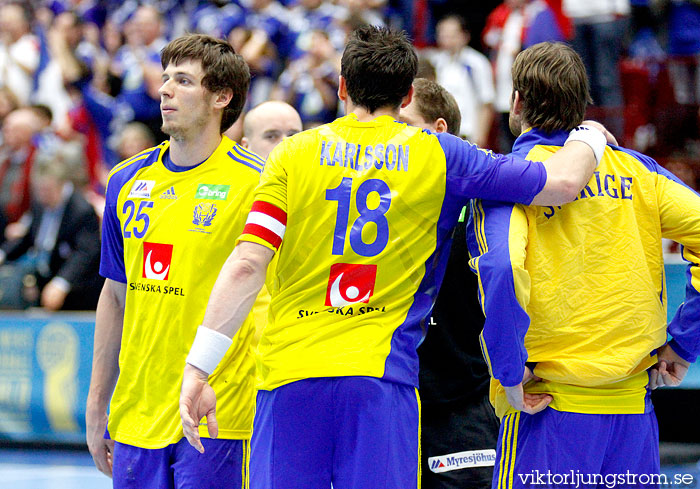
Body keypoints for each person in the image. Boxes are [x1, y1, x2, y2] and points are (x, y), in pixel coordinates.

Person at [179, 26, 608, 489]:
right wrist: (590, 133)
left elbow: (246, 265)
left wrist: (200, 367)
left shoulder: (291, 154)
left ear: (342, 86)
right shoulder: (441, 153)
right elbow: (563, 183)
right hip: (381, 379)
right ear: (406, 96)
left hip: (288, 378)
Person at [467, 42, 699, 489]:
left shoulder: (510, 178)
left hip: (550, 408)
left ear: (516, 102)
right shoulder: (639, 171)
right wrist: (684, 342)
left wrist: (509, 372)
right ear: (582, 105)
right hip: (633, 411)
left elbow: (502, 268)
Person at [85, 34, 266, 489]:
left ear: (221, 98)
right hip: (137, 412)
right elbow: (115, 294)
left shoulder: (257, 184)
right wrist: (95, 405)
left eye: (183, 81)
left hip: (218, 414)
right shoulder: (126, 179)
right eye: (165, 78)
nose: (165, 89)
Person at [400, 78, 499, 489]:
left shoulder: (484, 201)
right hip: (390, 403)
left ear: (440, 130)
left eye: (403, 124)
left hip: (462, 407)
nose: (391, 138)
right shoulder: (370, 206)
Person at [0, 144, 102, 310]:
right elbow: (28, 239)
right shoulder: (40, 204)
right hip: (46, 278)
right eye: (39, 191)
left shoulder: (81, 210)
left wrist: (62, 282)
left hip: (78, 289)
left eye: (47, 190)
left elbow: (85, 252)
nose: (43, 196)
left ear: (61, 184)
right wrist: (3, 254)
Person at [424, 15, 495, 146]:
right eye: (443, 34)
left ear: (465, 36)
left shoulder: (477, 63)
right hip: (441, 134)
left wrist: (480, 137)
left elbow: (486, 103)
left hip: (467, 134)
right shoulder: (435, 62)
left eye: (452, 35)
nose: (447, 39)